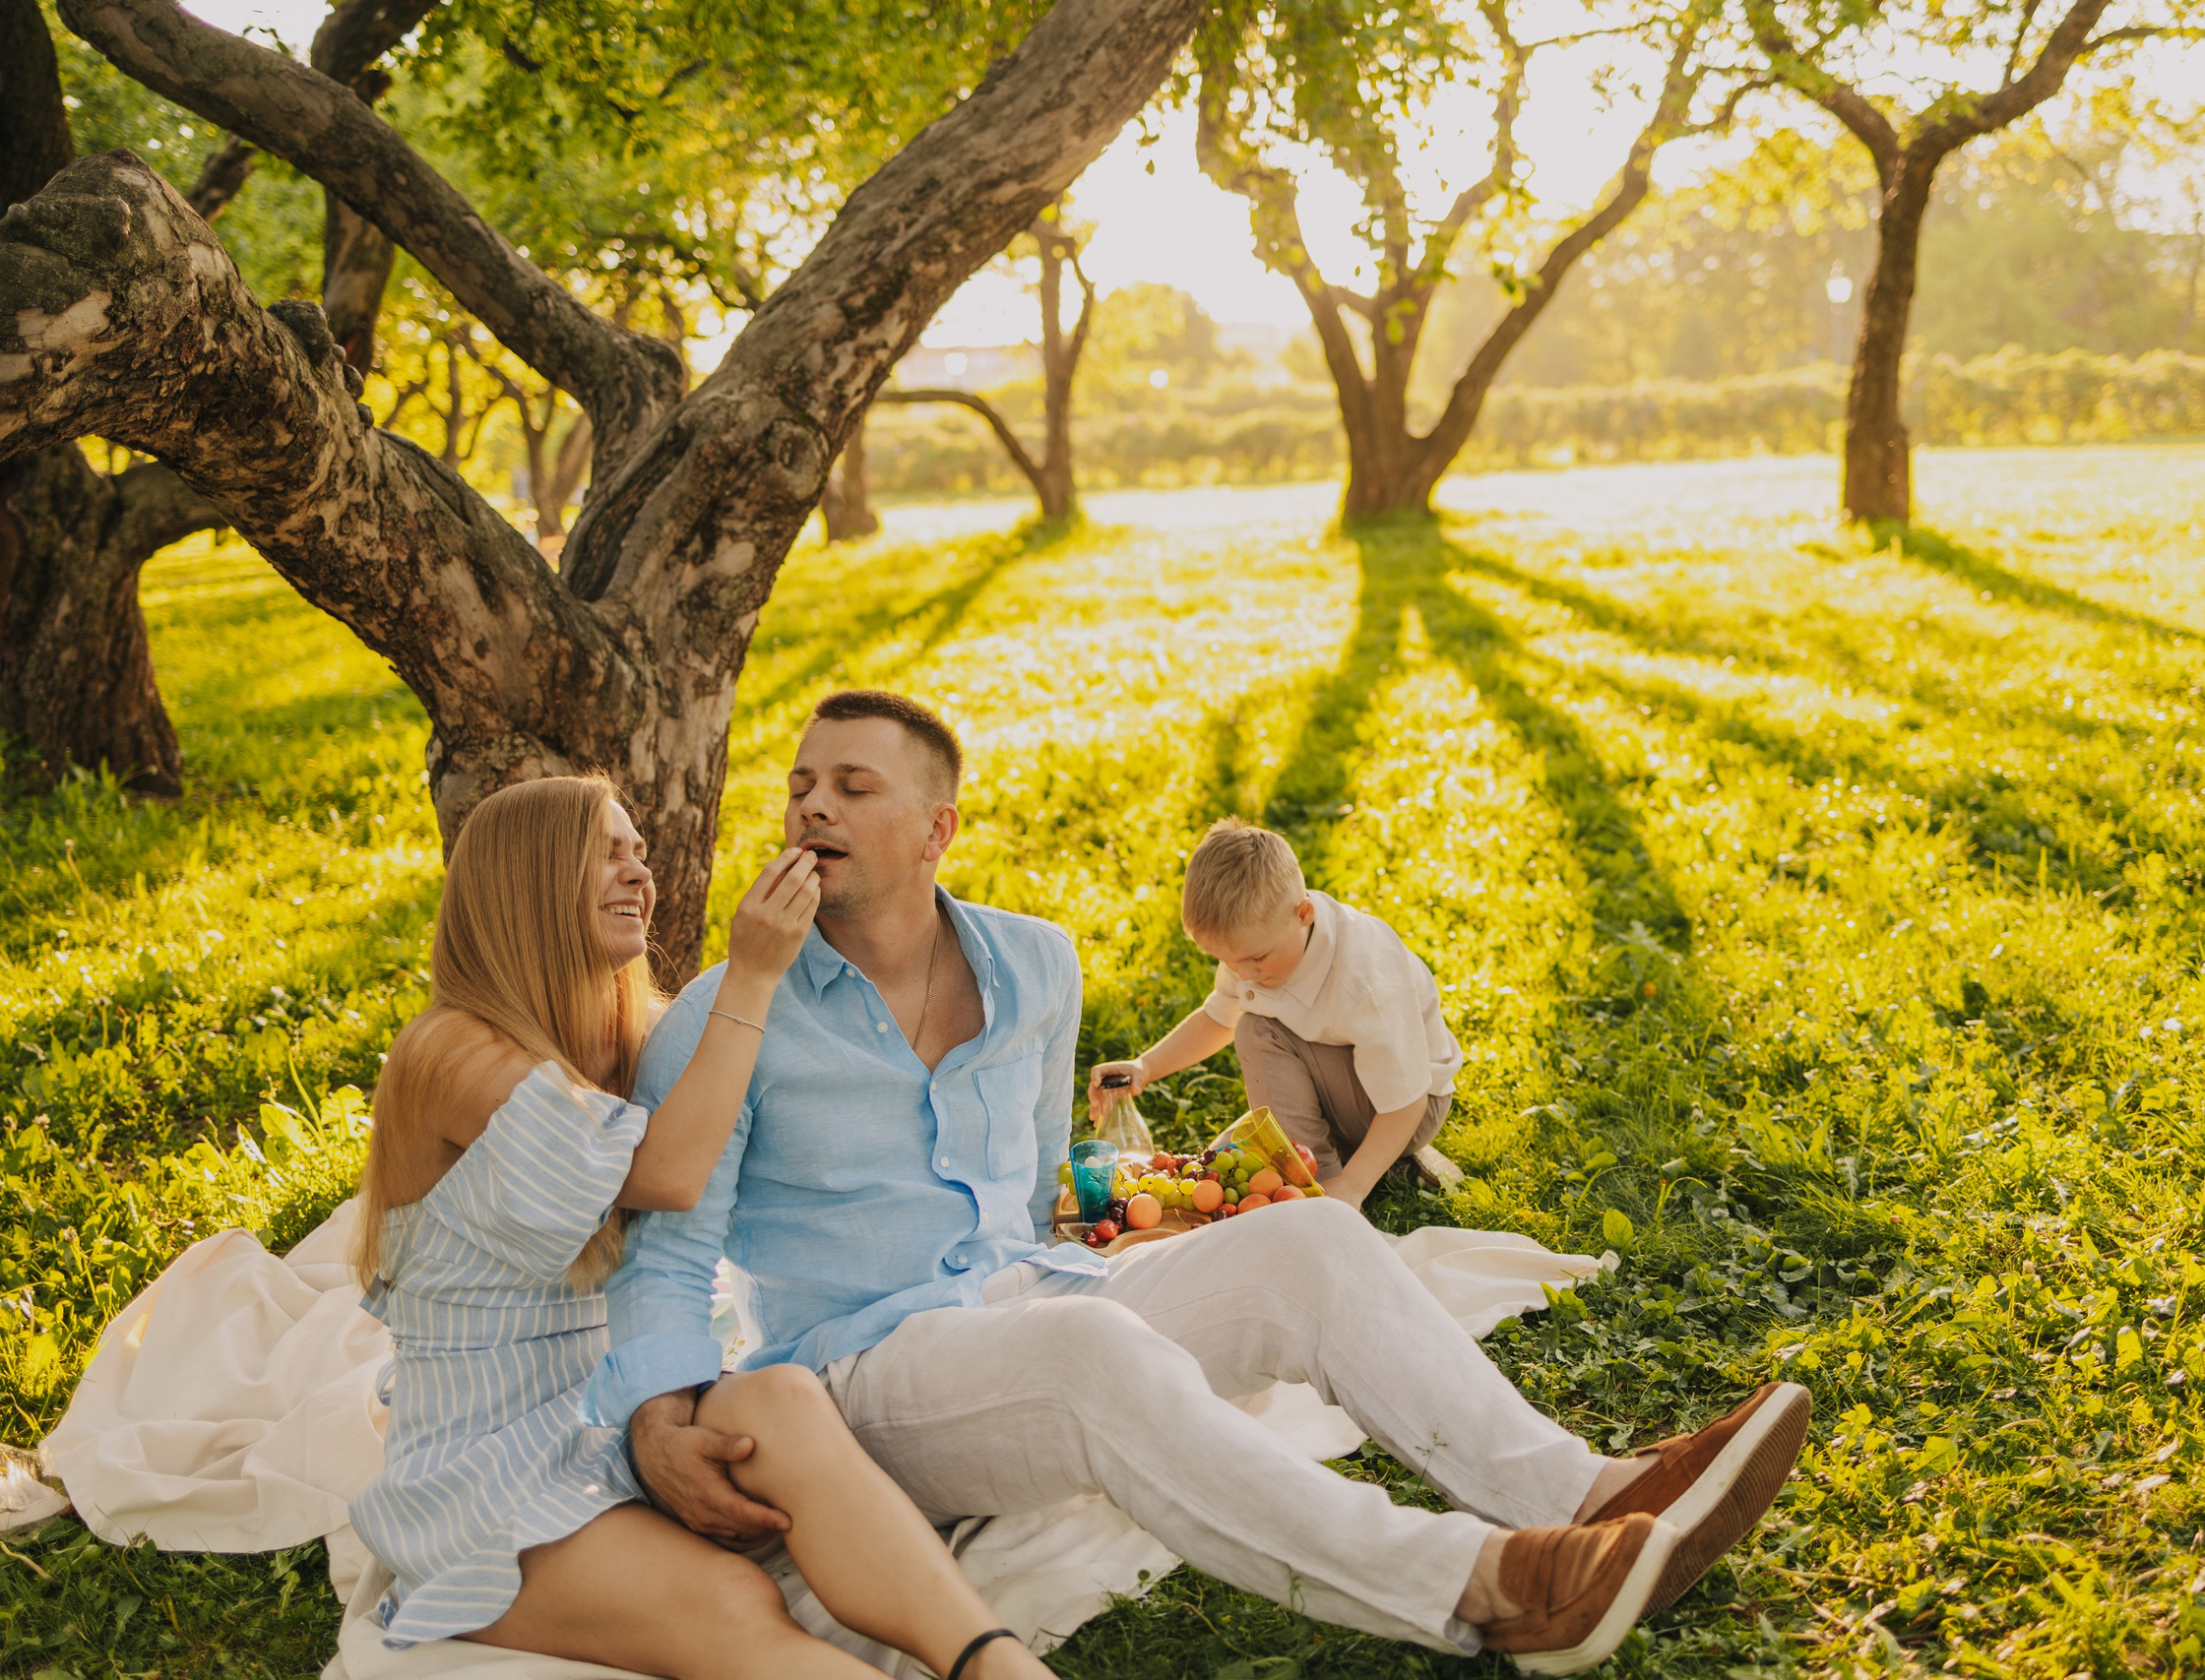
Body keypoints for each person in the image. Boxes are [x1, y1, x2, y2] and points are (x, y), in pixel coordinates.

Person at [593, 690, 1814, 1675]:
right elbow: (667, 1246)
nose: (813, 805)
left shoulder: (1034, 964)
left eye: (853, 785)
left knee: (1318, 1246)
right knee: (1087, 1350)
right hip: (864, 1373)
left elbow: (1026, 1193)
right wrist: (657, 1415)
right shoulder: (730, 1006)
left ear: (935, 828)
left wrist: (1148, 1230)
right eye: (801, 784)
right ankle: (1490, 1587)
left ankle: (1596, 1492)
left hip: (1031, 1292)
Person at [347, 775, 1059, 1680]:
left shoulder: (636, 1032)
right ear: (527, 878)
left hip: (617, 1418)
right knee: (732, 1603)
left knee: (782, 1400)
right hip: (488, 1468)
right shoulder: (451, 1052)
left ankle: (990, 1663)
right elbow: (670, 1176)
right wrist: (757, 972)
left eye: (640, 852)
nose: (639, 872)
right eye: (606, 852)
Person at [1091, 815, 1464, 1205]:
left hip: (1406, 1107)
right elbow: (1219, 1017)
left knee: (1257, 1028)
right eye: (1230, 962)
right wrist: (1146, 1067)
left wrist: (1353, 1185)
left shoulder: (1364, 979)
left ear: (1304, 915)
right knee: (1227, 1141)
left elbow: (1407, 1102)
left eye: (1255, 959)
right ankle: (1312, 1159)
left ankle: (1325, 1180)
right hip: (1350, 1085)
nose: (1244, 975)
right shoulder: (1257, 944)